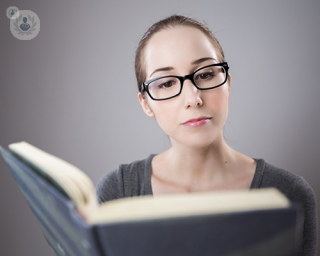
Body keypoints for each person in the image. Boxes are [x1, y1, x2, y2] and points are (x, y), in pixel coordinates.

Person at [96, 14, 318, 255]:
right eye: (167, 83)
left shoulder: (289, 194)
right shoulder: (118, 193)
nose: (193, 99)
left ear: (227, 83)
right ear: (146, 104)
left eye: (205, 74)